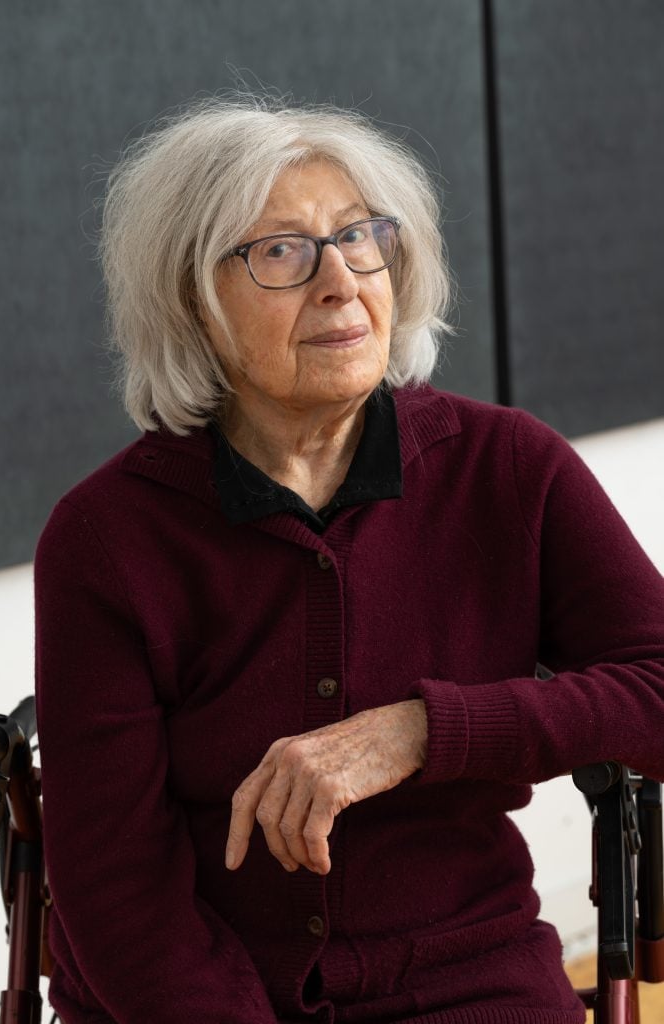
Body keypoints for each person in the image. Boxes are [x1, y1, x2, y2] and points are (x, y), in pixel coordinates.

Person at [34, 96, 664, 1024]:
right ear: (191, 303)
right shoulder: (104, 540)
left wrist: (418, 732)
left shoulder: (508, 467)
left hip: (463, 978)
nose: (340, 282)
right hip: (189, 995)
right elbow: (118, 894)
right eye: (280, 252)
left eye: (359, 237)